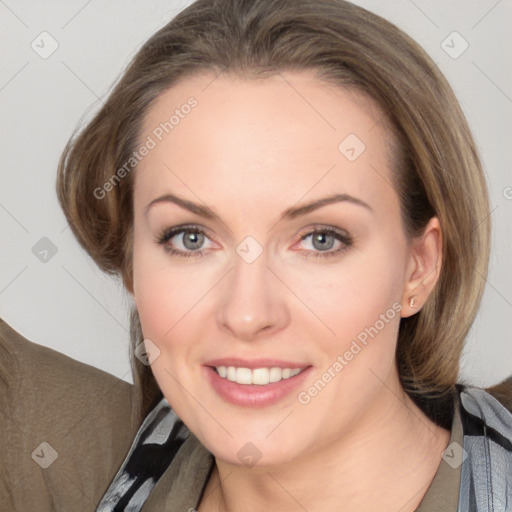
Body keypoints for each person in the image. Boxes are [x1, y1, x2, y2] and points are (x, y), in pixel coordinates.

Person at [1, 0, 511, 511]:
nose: (247, 314)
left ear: (419, 267)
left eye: (321, 239)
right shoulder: (64, 463)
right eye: (191, 238)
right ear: (130, 256)